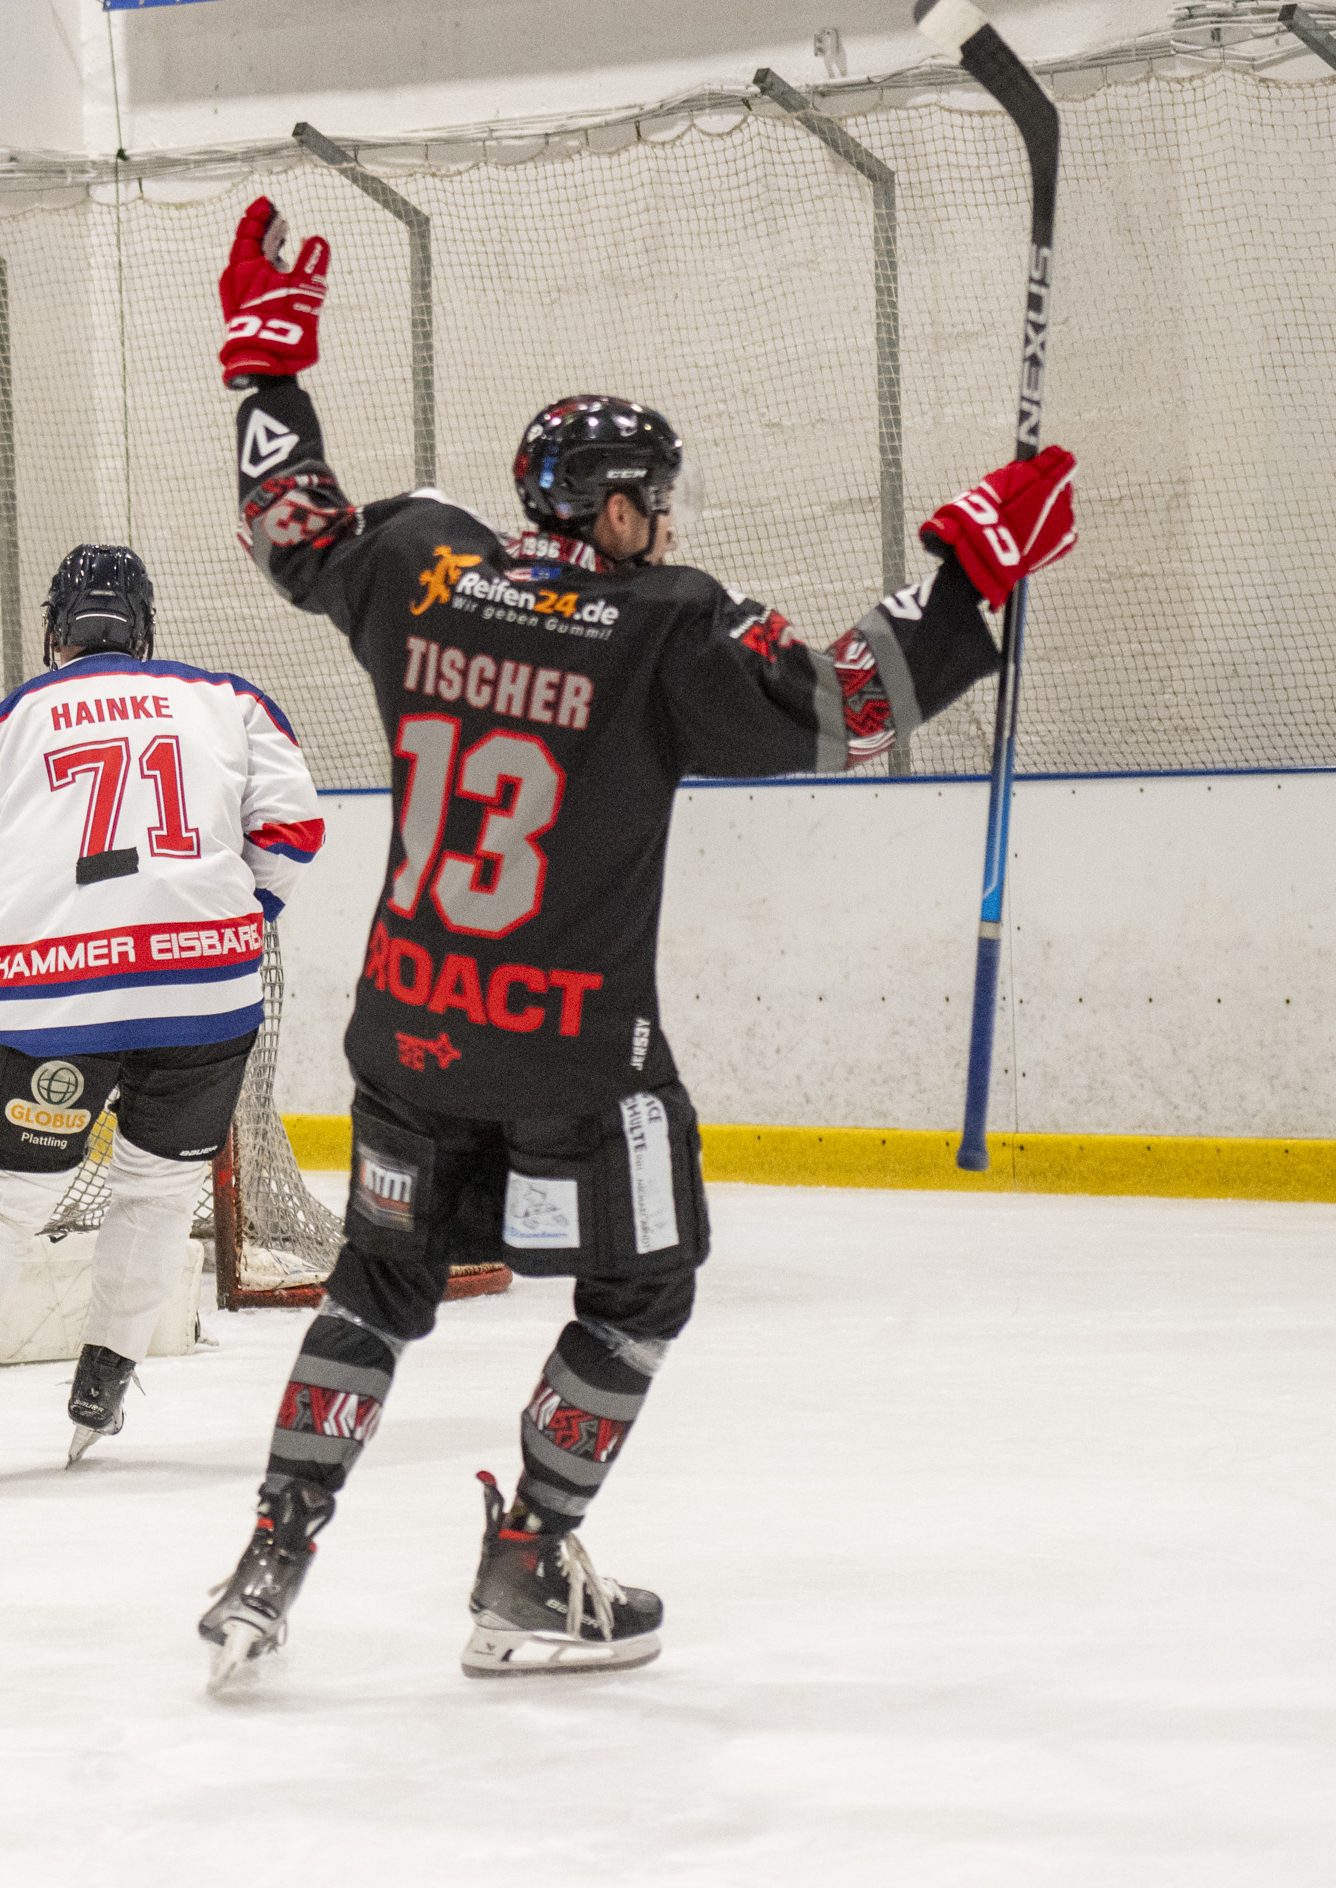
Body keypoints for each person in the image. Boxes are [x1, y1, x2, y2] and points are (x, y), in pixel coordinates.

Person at [198, 197, 1079, 1684]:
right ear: (610, 513)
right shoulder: (663, 627)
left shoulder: (420, 569)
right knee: (646, 1285)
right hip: (572, 1054)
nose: (666, 525)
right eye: (653, 501)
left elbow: (293, 526)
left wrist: (263, 375)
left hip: (410, 1028)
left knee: (376, 1286)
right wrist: (969, 578)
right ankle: (531, 1563)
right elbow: (843, 705)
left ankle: (268, 1565)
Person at [0, 542, 324, 1476]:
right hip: (205, 1000)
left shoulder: (7, 724)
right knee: (160, 1188)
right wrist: (232, 922)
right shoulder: (228, 701)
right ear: (145, 627)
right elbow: (295, 826)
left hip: (58, 1002)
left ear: (55, 630)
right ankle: (107, 1374)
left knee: (7, 1194)